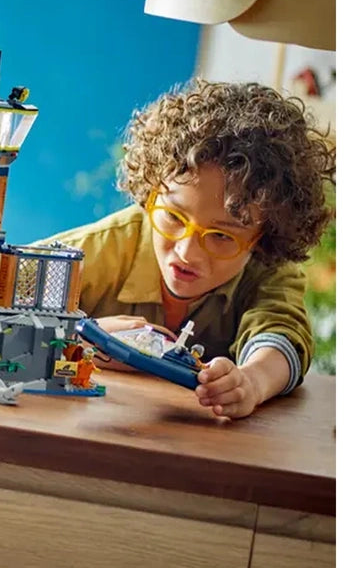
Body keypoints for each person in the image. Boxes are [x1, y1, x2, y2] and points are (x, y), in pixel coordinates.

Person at [41, 79, 334, 419]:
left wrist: (252, 382)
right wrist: (83, 336)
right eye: (173, 216)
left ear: (263, 239)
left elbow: (282, 335)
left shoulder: (269, 269)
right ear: (150, 192)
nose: (187, 252)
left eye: (222, 236)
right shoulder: (98, 248)